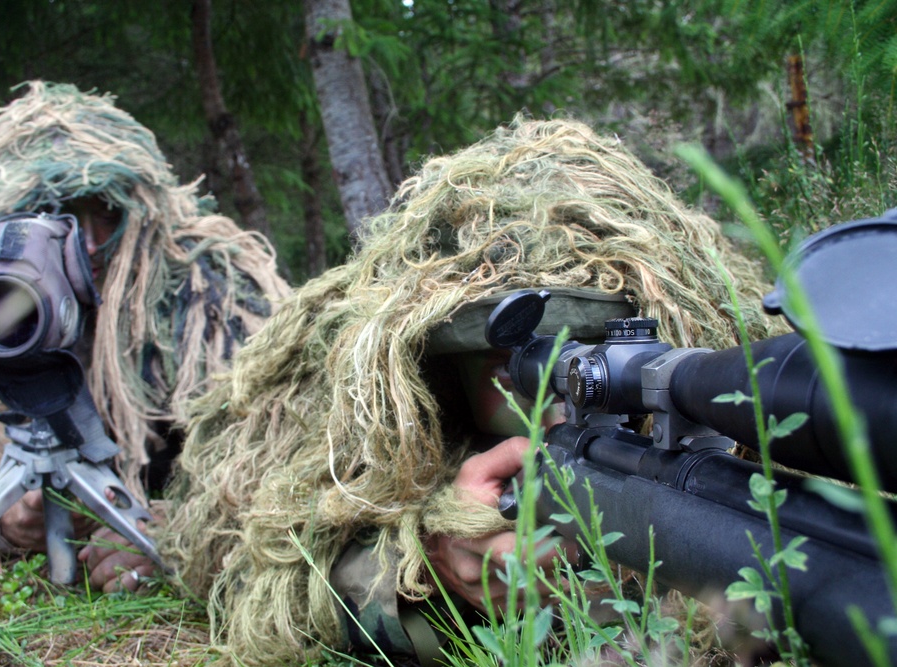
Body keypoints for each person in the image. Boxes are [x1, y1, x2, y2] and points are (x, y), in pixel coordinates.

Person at [159, 117, 786, 664]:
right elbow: (251, 557)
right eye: (510, 359)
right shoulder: (366, 414)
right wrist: (426, 565)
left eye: (602, 344)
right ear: (437, 370)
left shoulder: (728, 403)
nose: (566, 389)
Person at [0, 81, 290, 591]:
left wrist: (183, 530)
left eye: (106, 210)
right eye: (49, 215)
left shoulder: (207, 292)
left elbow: (289, 458)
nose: (85, 244)